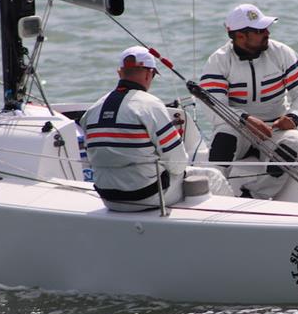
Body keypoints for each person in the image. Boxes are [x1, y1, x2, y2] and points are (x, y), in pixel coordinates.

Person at [82, 46, 230, 211]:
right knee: (214, 177)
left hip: (108, 197)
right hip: (145, 196)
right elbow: (178, 164)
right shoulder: (151, 105)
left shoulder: (92, 110)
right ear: (148, 73)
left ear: (120, 73)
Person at [198, 3, 298, 199]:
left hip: (275, 128)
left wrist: (294, 117)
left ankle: (253, 195)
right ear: (240, 36)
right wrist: (246, 120)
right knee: (223, 138)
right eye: (260, 30)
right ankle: (215, 197)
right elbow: (214, 108)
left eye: (266, 28)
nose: (267, 33)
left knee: (294, 142)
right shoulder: (218, 61)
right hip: (236, 127)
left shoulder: (282, 52)